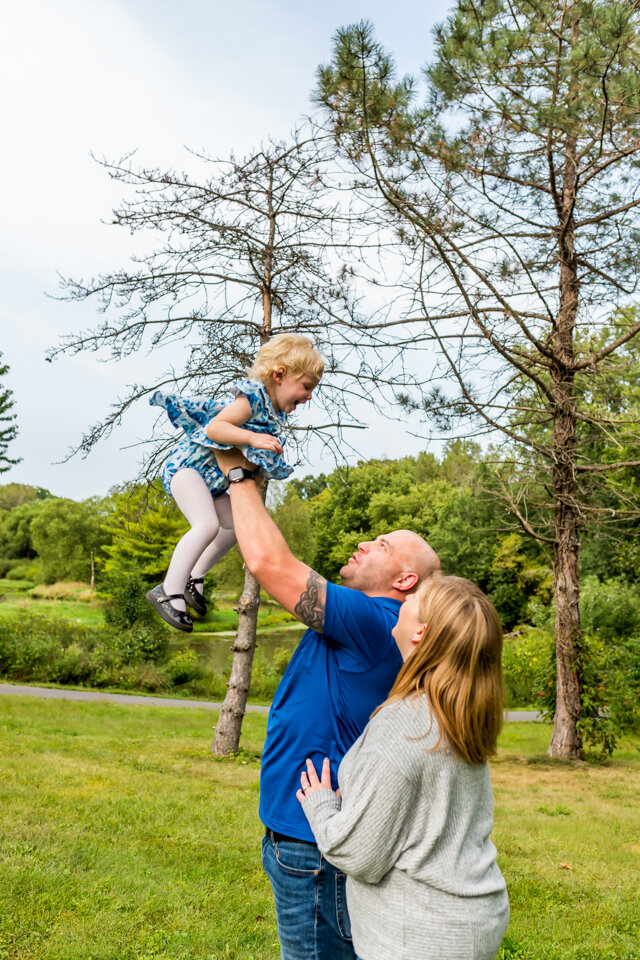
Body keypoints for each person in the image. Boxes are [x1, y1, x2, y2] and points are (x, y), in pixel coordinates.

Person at [213, 444, 441, 960]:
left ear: (405, 581)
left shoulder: (375, 622)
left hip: (314, 844)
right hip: (300, 834)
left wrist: (237, 470)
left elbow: (270, 562)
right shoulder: (366, 623)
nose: (363, 543)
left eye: (381, 544)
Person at [297, 574, 510, 960]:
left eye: (416, 597)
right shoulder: (455, 713)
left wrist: (322, 805)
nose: (406, 597)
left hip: (421, 933)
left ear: (420, 632)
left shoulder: (403, 724)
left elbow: (359, 855)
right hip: (473, 918)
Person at [145, 334, 324, 632]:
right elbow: (216, 428)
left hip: (212, 484)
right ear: (279, 375)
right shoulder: (252, 396)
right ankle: (168, 589)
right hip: (187, 470)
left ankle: (194, 577)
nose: (308, 396)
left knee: (238, 528)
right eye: (306, 387)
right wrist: (253, 438)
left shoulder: (273, 413)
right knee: (206, 526)